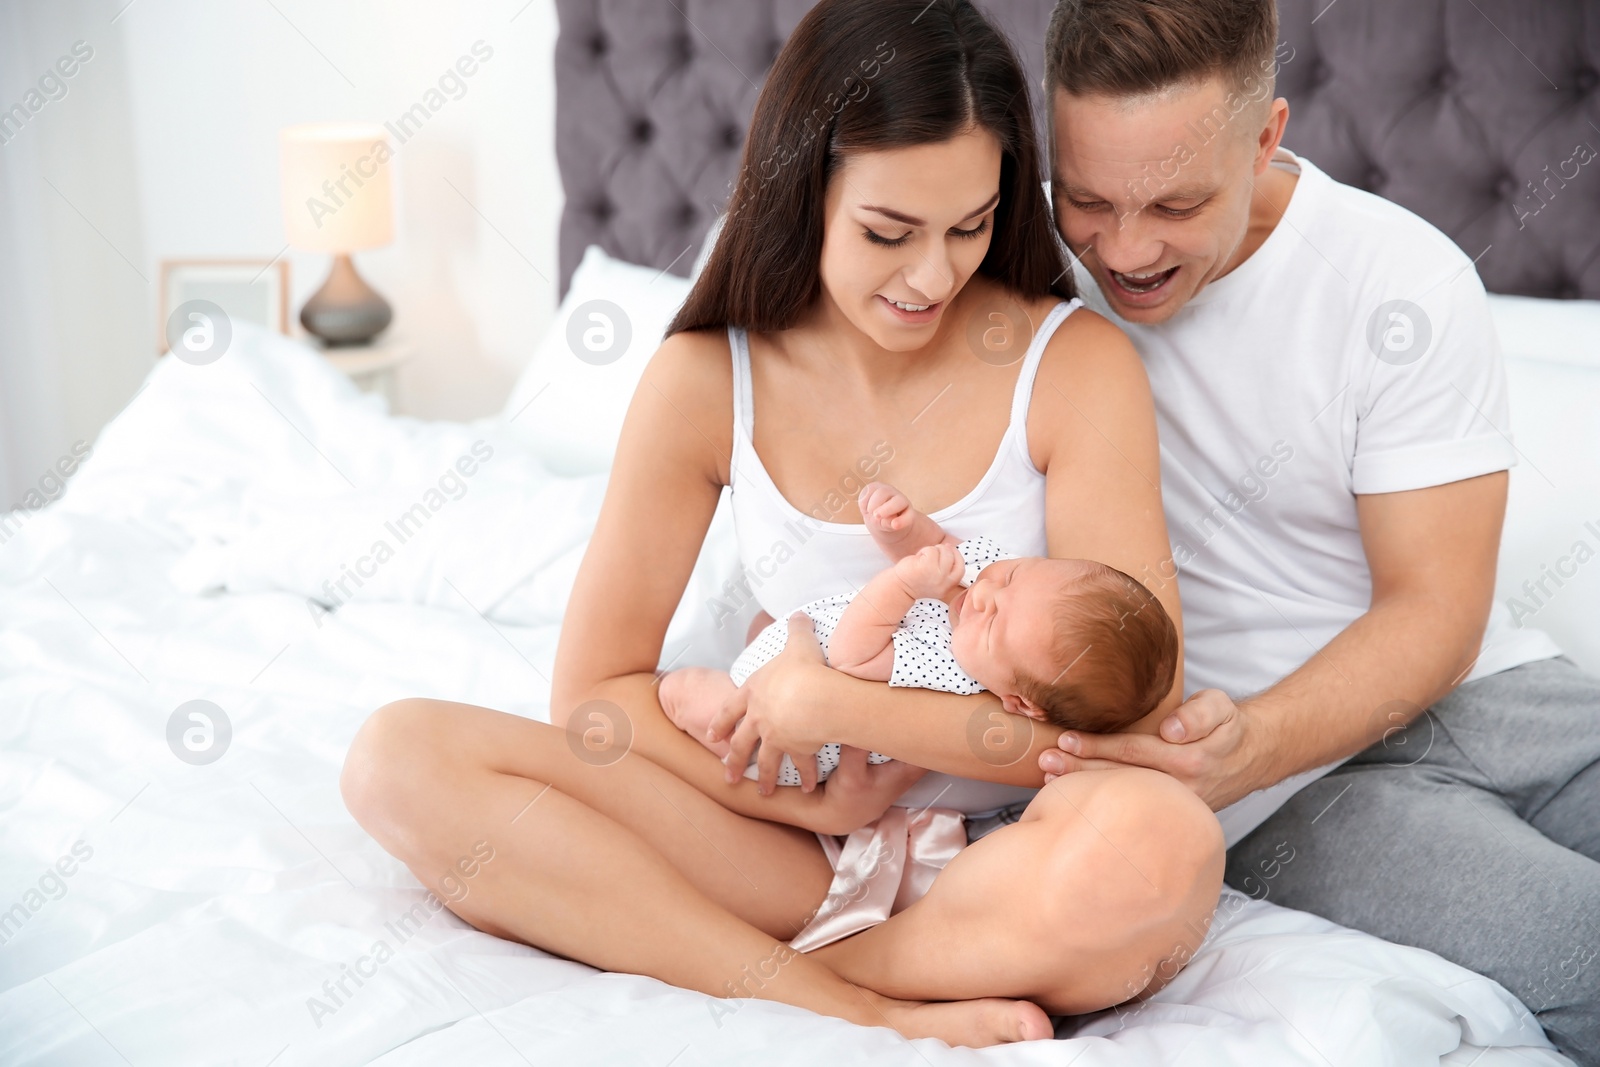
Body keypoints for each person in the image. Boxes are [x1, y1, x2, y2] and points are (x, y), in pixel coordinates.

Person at [340, 0, 1224, 1048]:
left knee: (1164, 845)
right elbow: (594, 693)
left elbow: (1133, 702)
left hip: (1011, 841)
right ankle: (834, 1001)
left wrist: (827, 701)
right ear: (802, 191)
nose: (932, 276)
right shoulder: (706, 378)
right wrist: (808, 805)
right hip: (778, 840)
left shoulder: (1068, 364)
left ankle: (814, 963)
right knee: (397, 758)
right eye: (888, 232)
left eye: (970, 225)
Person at [1032, 0, 1600, 1061]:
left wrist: (1252, 743)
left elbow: (1434, 607)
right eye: (1089, 198)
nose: (1124, 248)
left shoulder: (1399, 279)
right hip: (1285, 795)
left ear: (1265, 136)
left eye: (1174, 203)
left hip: (1483, 692)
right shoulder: (1009, 271)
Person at [662, 480, 1178, 790]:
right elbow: (939, 553)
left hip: (771, 727)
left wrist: (907, 582)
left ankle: (669, 694)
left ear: (1018, 702)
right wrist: (903, 531)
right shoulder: (989, 577)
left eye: (994, 621)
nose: (983, 592)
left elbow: (851, 656)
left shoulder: (951, 672)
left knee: (699, 705)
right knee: (760, 624)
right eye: (1015, 576)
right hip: (793, 644)